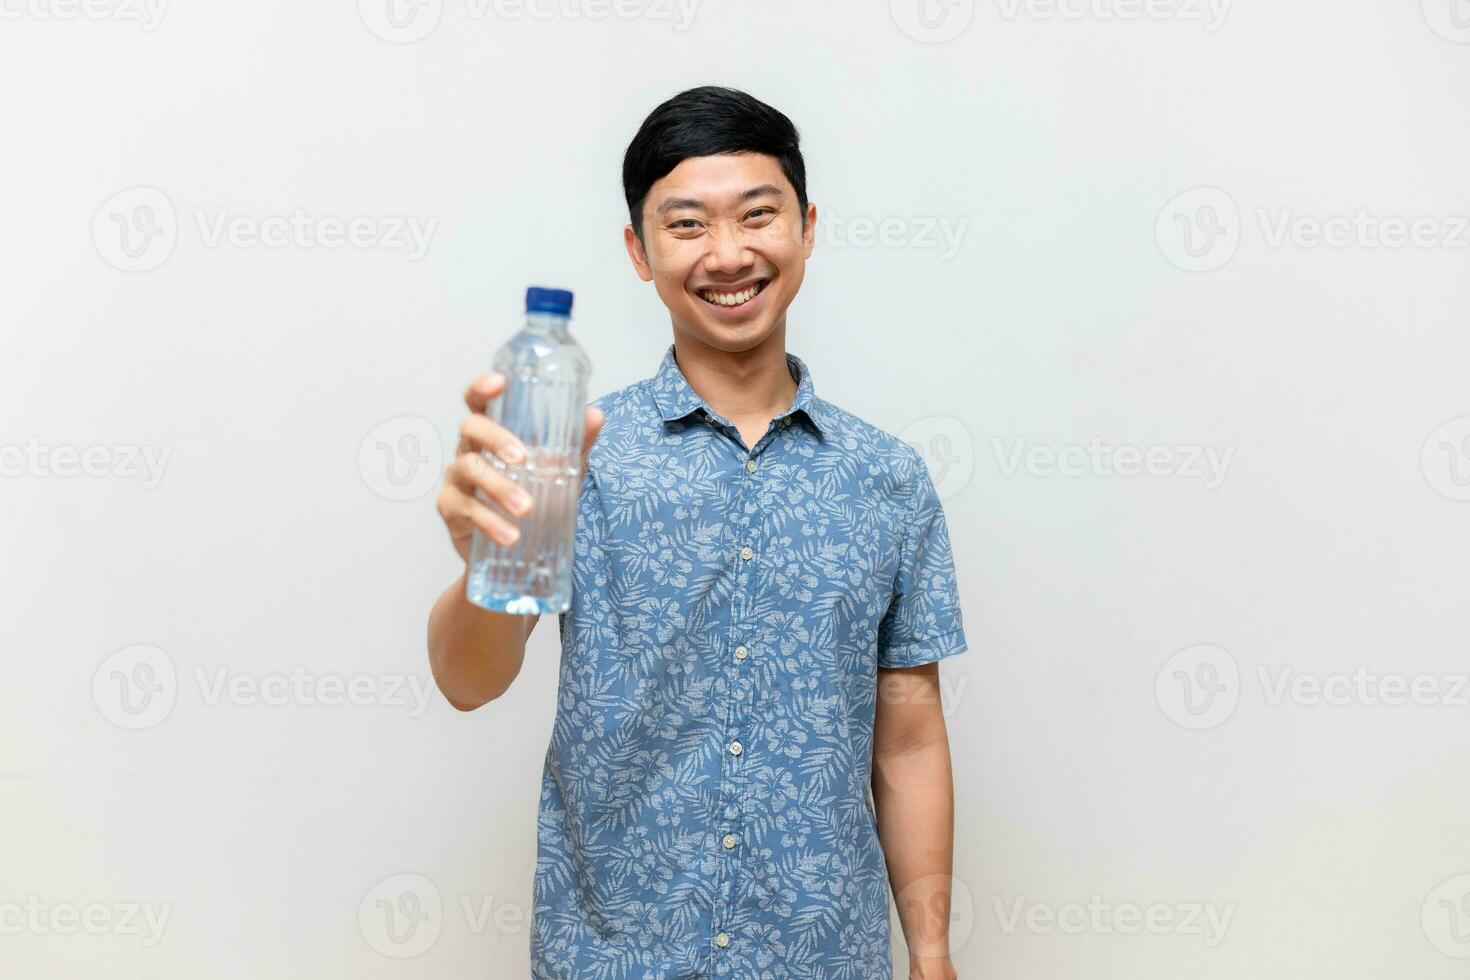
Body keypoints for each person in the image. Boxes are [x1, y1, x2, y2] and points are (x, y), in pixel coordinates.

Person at [428, 85, 968, 980]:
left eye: (758, 215)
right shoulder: (573, 456)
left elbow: (908, 737)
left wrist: (933, 950)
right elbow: (467, 681)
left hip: (824, 958)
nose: (728, 254)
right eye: (686, 224)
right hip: (611, 958)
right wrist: (484, 564)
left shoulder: (888, 479)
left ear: (807, 226)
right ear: (639, 251)